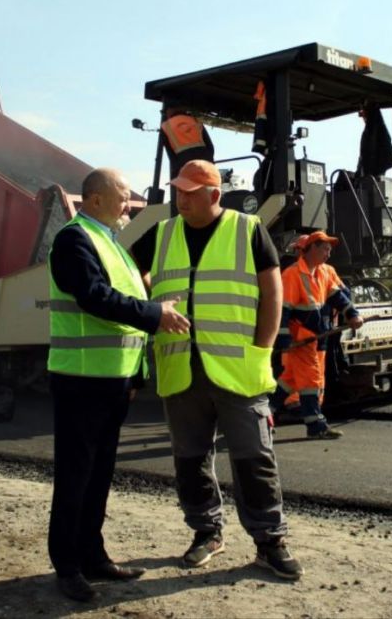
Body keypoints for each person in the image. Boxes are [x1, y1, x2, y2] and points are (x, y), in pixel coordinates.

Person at [129, 159, 303, 581]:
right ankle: (206, 532)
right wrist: (153, 306)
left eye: (190, 192)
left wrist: (263, 347)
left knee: (254, 458)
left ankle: (269, 541)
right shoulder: (162, 232)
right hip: (180, 367)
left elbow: (272, 292)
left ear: (214, 195)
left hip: (237, 368)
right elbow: (131, 273)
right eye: (178, 190)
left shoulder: (247, 229)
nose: (181, 198)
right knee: (190, 459)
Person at [47, 167, 190, 603]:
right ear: (95, 200)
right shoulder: (74, 240)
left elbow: (127, 311)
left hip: (112, 380)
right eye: (123, 195)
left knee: (99, 474)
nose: (129, 203)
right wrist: (156, 315)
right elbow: (94, 297)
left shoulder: (111, 242)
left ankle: (93, 556)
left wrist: (134, 376)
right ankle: (67, 566)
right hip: (81, 380)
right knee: (76, 475)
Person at [272, 231, 364, 439]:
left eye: (329, 250)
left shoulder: (323, 272)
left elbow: (338, 297)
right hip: (302, 338)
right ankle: (316, 427)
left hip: (315, 337)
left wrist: (352, 314)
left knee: (290, 381)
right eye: (325, 249)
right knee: (311, 381)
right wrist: (284, 338)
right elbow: (283, 310)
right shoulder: (292, 274)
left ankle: (264, 413)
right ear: (312, 248)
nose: (328, 254)